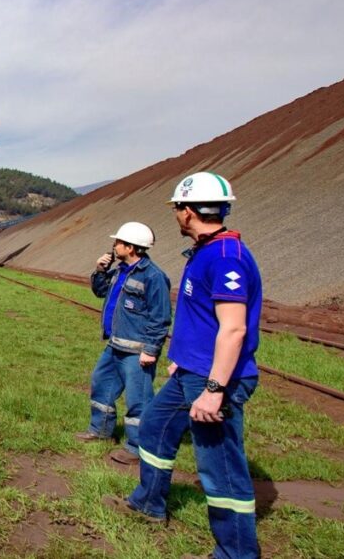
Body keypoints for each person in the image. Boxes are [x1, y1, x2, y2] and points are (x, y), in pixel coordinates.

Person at [105, 171, 262, 559]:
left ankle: (237, 552)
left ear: (188, 212)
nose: (175, 215)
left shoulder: (226, 258)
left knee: (220, 467)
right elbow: (201, 321)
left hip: (213, 381)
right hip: (190, 372)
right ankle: (149, 501)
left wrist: (213, 390)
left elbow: (233, 329)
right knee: (156, 427)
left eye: (177, 208)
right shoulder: (205, 253)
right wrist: (181, 361)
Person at [76, 221, 171, 465]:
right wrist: (99, 270)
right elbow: (100, 292)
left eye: (118, 242)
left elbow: (160, 317)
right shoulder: (120, 271)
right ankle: (100, 431)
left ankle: (136, 447)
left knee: (138, 399)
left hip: (137, 350)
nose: (114, 245)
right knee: (101, 384)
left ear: (130, 247)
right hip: (115, 345)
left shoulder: (154, 277)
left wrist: (151, 350)